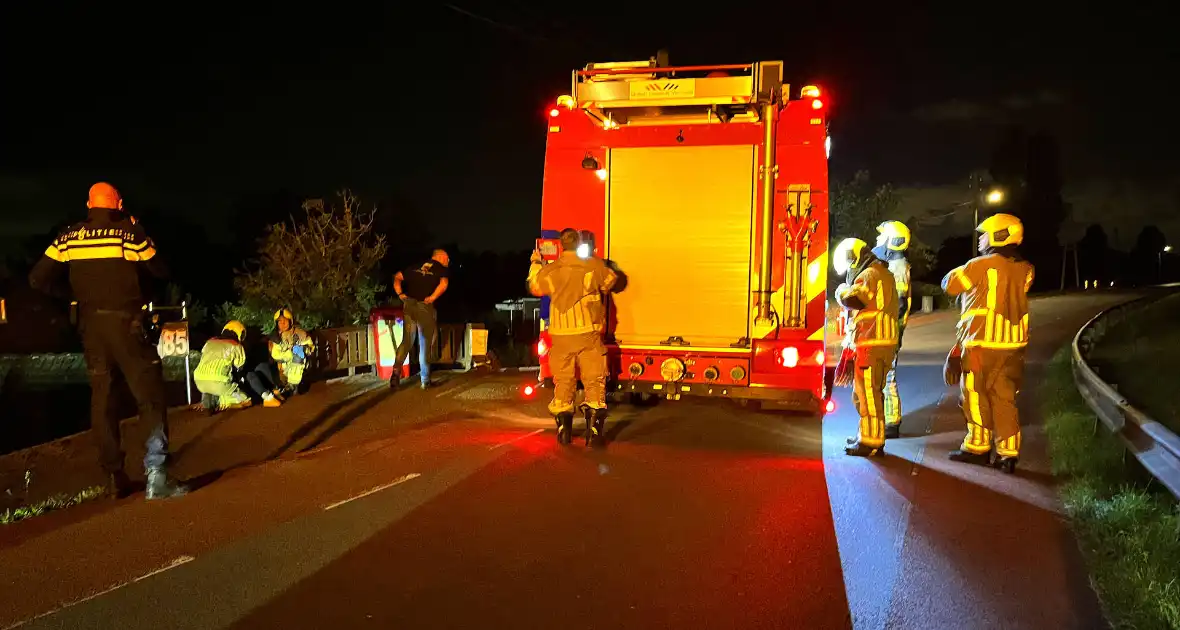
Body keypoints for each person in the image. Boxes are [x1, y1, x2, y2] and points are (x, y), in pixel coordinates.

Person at [27, 182, 187, 500]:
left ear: (89, 204)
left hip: (91, 329)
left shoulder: (68, 237)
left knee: (102, 401)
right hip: (128, 324)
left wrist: (72, 299)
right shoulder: (126, 235)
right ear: (119, 204)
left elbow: (36, 279)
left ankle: (115, 477)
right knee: (149, 396)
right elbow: (160, 269)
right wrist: (137, 227)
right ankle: (156, 476)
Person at [942, 213, 1034, 473]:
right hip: (1013, 348)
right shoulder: (1026, 269)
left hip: (981, 345)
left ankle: (977, 447)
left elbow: (949, 284)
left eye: (985, 234)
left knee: (974, 395)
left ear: (999, 235)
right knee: (1005, 399)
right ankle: (1008, 454)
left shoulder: (979, 265)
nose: (981, 239)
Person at [527, 228, 617, 447]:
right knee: (594, 379)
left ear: (560, 245)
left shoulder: (551, 270)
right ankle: (594, 432)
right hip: (588, 332)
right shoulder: (592, 265)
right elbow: (610, 281)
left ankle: (564, 430)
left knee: (564, 382)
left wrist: (536, 263)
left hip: (560, 334)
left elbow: (534, 286)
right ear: (579, 244)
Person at [832, 237, 900, 457]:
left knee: (868, 394)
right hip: (880, 343)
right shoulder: (883, 273)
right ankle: (868, 433)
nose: (850, 267)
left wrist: (841, 291)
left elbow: (855, 299)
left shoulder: (869, 274)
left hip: (872, 342)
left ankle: (871, 442)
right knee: (865, 393)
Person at [872, 220, 912, 438]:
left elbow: (896, 304)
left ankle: (890, 422)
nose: (878, 240)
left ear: (893, 241)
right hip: (890, 332)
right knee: (886, 376)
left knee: (887, 376)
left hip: (889, 333)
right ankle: (889, 420)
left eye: (882, 237)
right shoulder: (897, 266)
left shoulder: (897, 269)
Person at [391, 249, 450, 390]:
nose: (448, 262)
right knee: (425, 343)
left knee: (406, 341)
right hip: (424, 307)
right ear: (440, 257)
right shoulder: (440, 268)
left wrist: (400, 294)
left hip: (409, 305)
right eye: (447, 259)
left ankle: (395, 373)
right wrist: (433, 298)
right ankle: (425, 380)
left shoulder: (416, 265)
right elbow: (444, 283)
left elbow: (397, 277)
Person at [194, 320, 283, 413]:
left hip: (199, 382)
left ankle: (206, 404)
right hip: (220, 383)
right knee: (247, 400)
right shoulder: (236, 345)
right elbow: (239, 368)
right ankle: (229, 402)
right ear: (240, 333)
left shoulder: (209, 342)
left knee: (208, 380)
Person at [269, 308, 315, 395]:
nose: (282, 323)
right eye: (280, 321)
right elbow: (275, 354)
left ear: (290, 321)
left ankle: (292, 385)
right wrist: (289, 354)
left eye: (285, 321)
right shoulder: (276, 337)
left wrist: (305, 349)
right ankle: (288, 386)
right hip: (284, 367)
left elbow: (310, 346)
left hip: (300, 365)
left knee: (298, 350)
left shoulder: (300, 333)